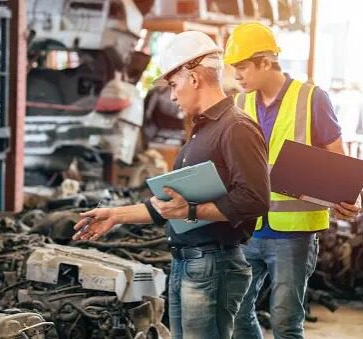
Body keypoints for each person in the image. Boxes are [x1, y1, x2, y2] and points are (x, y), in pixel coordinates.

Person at [72, 31, 270, 339]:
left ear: (193, 78)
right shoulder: (203, 130)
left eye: (174, 85)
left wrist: (191, 211)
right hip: (189, 263)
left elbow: (255, 199)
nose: (173, 96)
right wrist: (115, 215)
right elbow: (171, 205)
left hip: (213, 265)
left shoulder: (236, 128)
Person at [223, 22, 362, 339]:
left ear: (266, 62)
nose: (237, 75)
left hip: (293, 234)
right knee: (238, 313)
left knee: (286, 320)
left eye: (242, 67)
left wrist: (347, 199)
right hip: (249, 229)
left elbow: (338, 159)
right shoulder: (239, 104)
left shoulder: (311, 98)